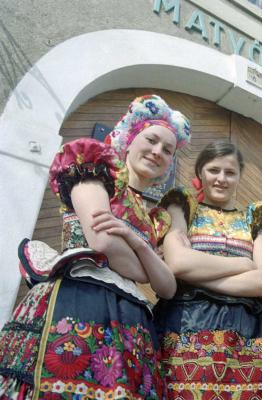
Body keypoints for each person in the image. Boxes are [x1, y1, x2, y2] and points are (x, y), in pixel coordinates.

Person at [0, 94, 190, 399]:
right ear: (129, 139)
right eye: (152, 140)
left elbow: (167, 287)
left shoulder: (157, 219)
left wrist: (134, 242)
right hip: (78, 299)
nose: (157, 152)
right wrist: (147, 266)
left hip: (130, 320)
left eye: (167, 150)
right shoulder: (91, 172)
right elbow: (103, 243)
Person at [154, 140, 262, 399]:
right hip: (183, 329)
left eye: (230, 172)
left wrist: (195, 275)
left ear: (239, 177)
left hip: (245, 336)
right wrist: (243, 264)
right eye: (214, 170)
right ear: (200, 172)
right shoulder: (182, 205)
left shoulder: (255, 215)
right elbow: (177, 262)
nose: (221, 178)